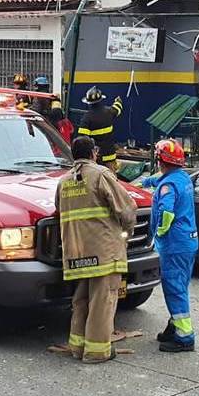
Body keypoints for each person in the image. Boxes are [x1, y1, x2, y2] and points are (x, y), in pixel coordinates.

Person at [56, 136, 137, 364]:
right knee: (103, 300)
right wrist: (127, 232)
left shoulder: (64, 182)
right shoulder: (101, 175)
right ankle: (96, 352)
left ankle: (77, 347)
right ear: (93, 153)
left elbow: (58, 210)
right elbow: (126, 209)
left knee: (81, 299)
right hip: (104, 251)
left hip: (76, 253)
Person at [142, 139, 198, 353]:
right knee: (180, 285)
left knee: (174, 288)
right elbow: (162, 180)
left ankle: (185, 337)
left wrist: (159, 234)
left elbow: (166, 212)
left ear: (159, 160)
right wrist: (145, 183)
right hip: (188, 242)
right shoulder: (181, 178)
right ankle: (174, 326)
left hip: (174, 244)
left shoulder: (168, 186)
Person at [78, 86, 123, 172]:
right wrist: (118, 101)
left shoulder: (87, 118)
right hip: (110, 157)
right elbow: (117, 109)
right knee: (111, 181)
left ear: (88, 103)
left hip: (97, 159)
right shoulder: (109, 112)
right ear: (100, 100)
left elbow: (82, 139)